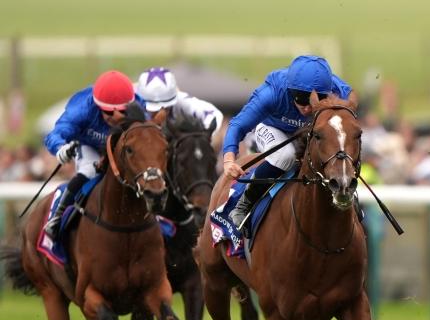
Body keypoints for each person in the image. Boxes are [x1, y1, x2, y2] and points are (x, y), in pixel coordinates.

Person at [215, 55, 353, 234]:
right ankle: (243, 204)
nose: (307, 108)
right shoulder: (272, 93)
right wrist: (228, 159)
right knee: (286, 156)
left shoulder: (339, 92)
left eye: (317, 98)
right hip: (272, 128)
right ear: (290, 90)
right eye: (300, 98)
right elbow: (238, 125)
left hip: (309, 133)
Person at [42, 70, 139, 244]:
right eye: (108, 112)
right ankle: (57, 217)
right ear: (97, 105)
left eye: (122, 111)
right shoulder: (82, 109)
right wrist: (61, 148)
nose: (115, 117)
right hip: (90, 147)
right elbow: (55, 134)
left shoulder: (139, 105)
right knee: (89, 171)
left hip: (122, 146)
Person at [135, 66, 224, 131]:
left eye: (165, 107)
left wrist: (205, 136)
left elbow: (215, 114)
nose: (159, 112)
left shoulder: (181, 100)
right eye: (154, 109)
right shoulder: (131, 100)